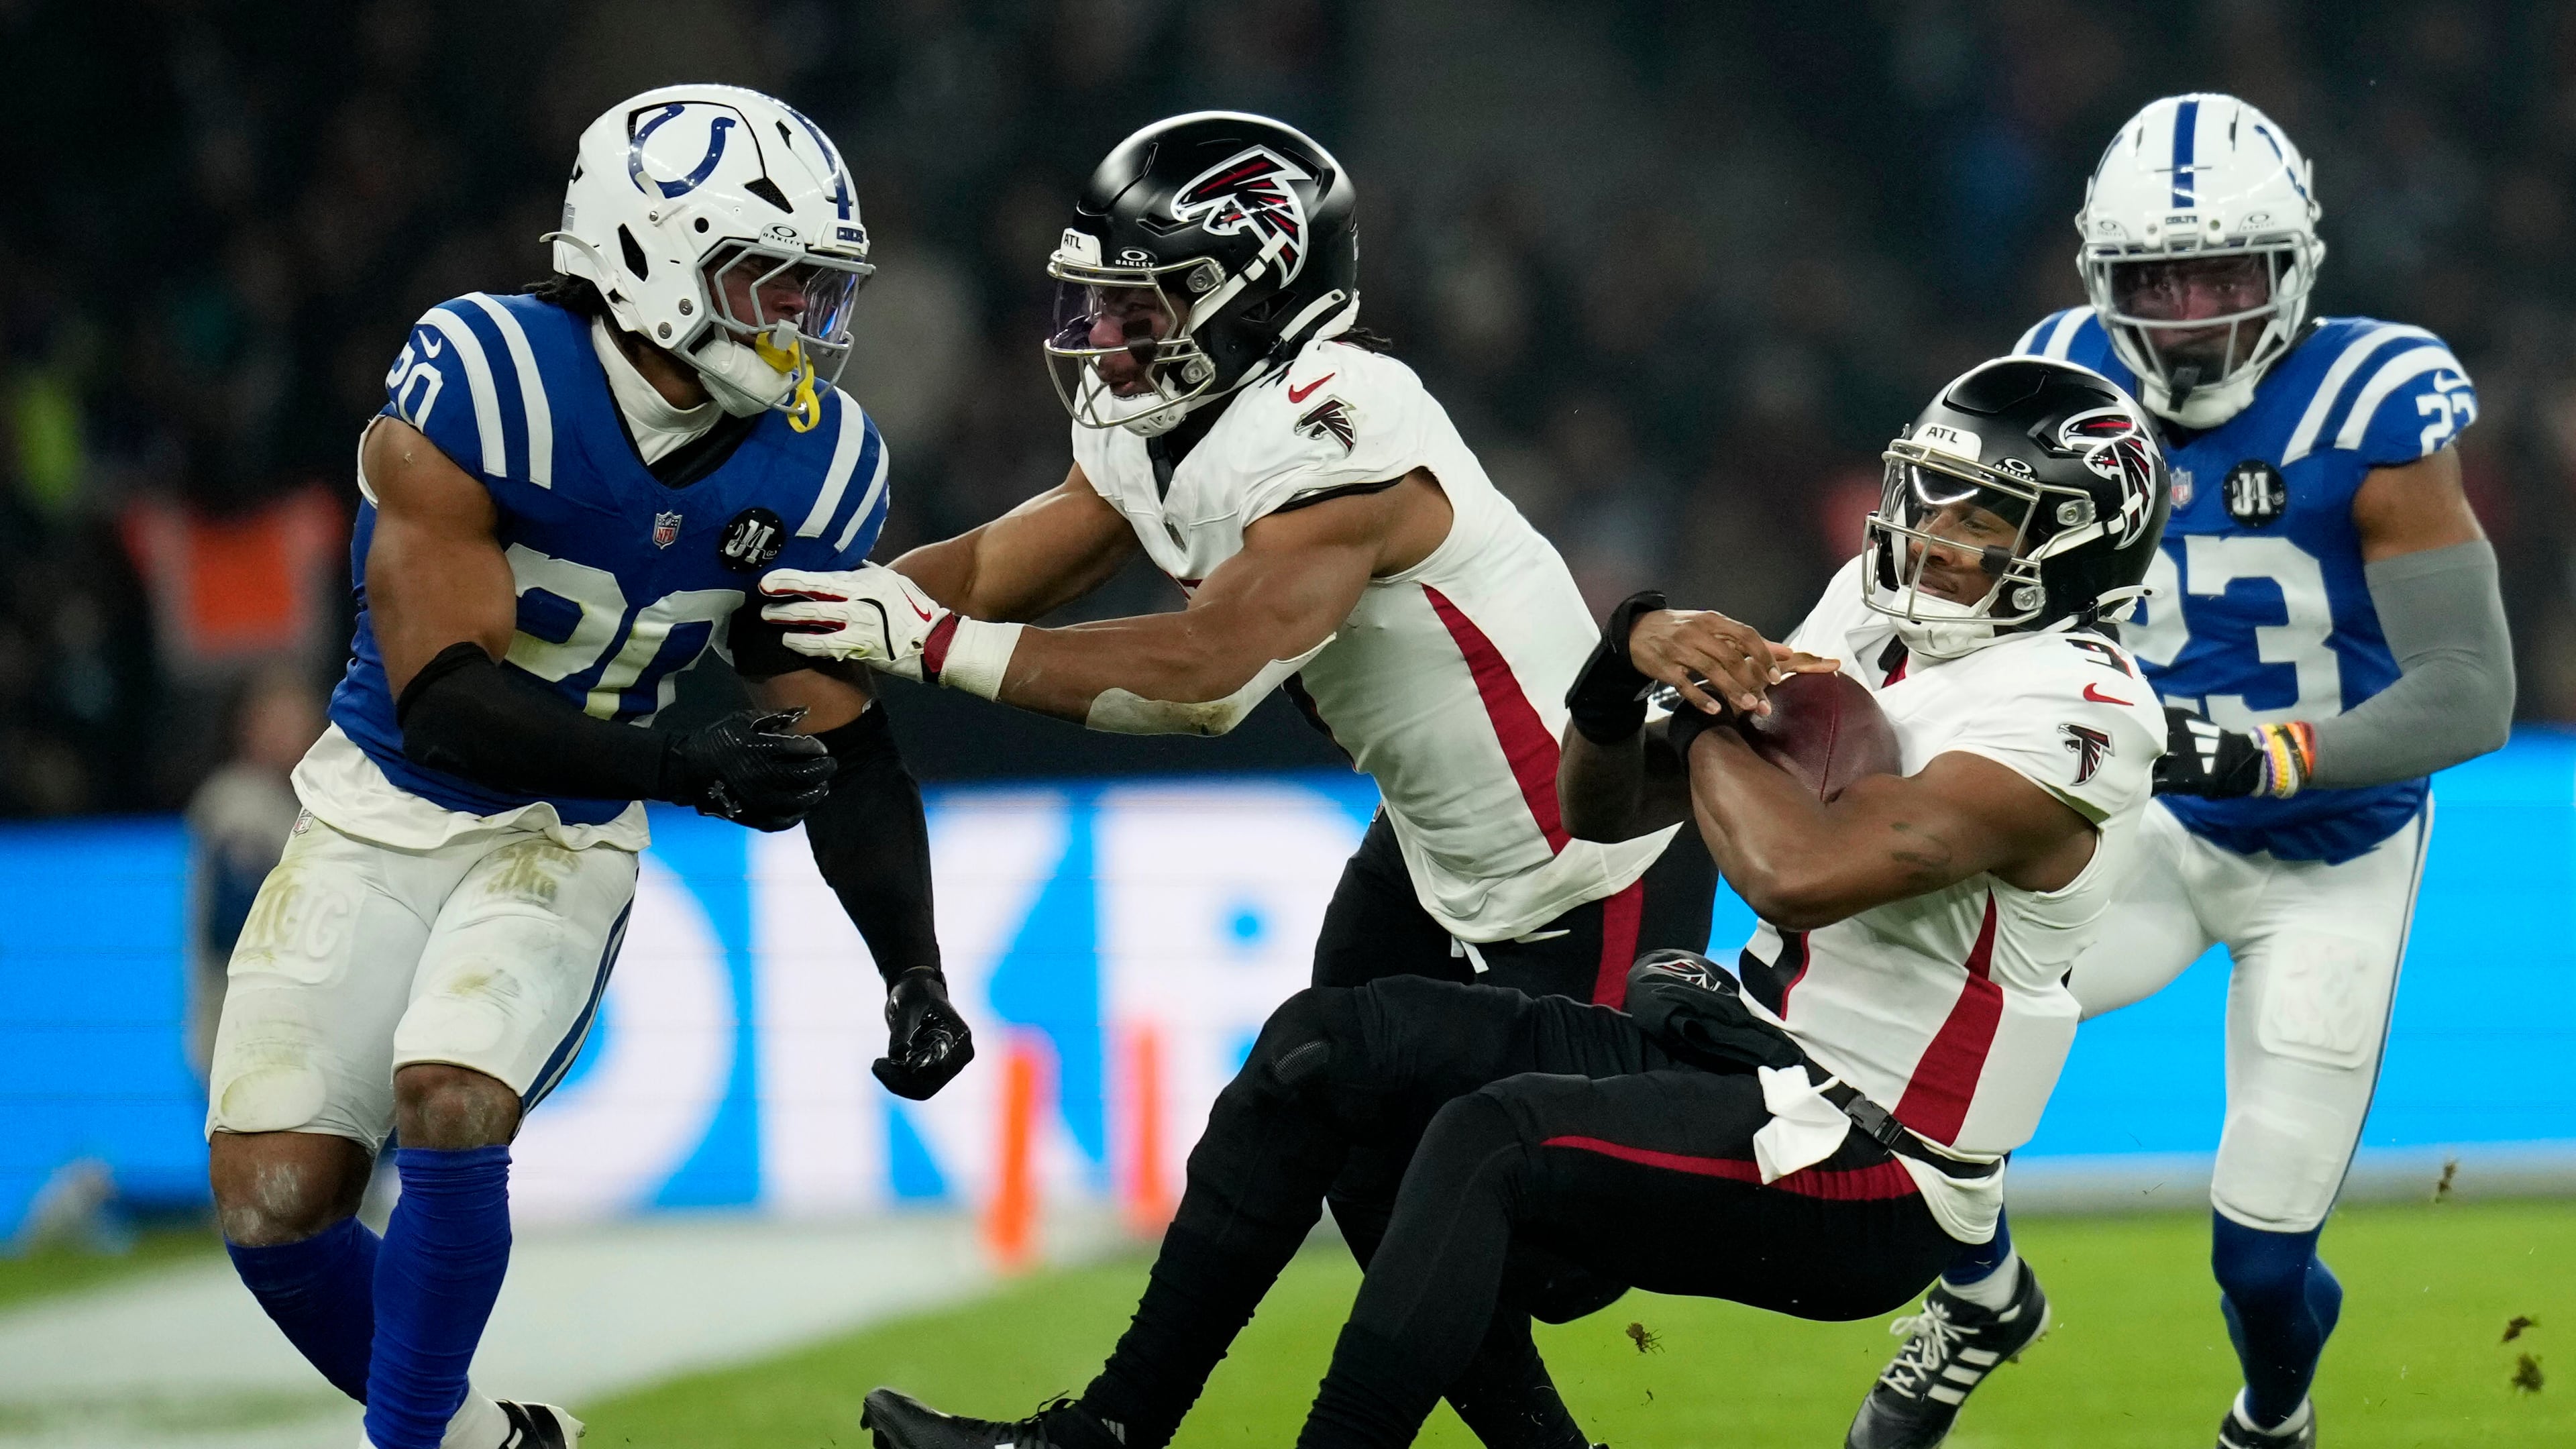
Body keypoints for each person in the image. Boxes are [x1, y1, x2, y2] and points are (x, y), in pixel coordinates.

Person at [855, 356, 2170, 1449]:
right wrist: (1621, 665)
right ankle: (1104, 1436)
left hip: (1875, 1166)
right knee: (1324, 1054)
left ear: (2075, 547)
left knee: (1486, 1143)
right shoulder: (1877, 620)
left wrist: (1707, 707)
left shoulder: (2083, 708)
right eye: (1926, 496)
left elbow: (1797, 870)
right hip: (1754, 1066)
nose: (1925, 533)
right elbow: (1598, 804)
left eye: (1976, 517)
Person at [763, 111, 1736, 1449]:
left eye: (1142, 298)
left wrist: (921, 641)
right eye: (1099, 296)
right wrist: (837, 607)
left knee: (1515, 1234)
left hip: (1589, 871)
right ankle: (1101, 1436)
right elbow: (1028, 553)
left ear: (1255, 290)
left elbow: (1212, 670)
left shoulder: (1336, 421)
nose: (1104, 333)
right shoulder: (1180, 411)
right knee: (1326, 1130)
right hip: (1435, 846)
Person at [204, 85, 971, 1449]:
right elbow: (444, 701)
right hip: (378, 803)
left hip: (559, 835)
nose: (805, 321)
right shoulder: (491, 376)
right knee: (273, 1206)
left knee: (452, 1090)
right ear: (647, 255)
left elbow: (845, 736)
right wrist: (685, 763)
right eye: (771, 280)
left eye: (818, 286)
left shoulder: (817, 461)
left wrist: (911, 965)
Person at [1848, 95, 2515, 1449]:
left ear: (2295, 269)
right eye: (2160, 279)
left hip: (2336, 843)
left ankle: (2274, 1419)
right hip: (2136, 824)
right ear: (2103, 278)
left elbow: (2471, 690)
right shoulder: (2060, 379)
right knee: (1906, 1053)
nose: (2194, 311)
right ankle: (1979, 1300)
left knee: (2262, 1261)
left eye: (2225, 276)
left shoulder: (2373, 401)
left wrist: (2262, 753)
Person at [185, 665, 325, 1078]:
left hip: (285, 1034)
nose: (289, 732)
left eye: (298, 717)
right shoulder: (239, 798)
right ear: (246, 729)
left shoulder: (305, 798)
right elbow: (238, 912)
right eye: (274, 719)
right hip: (246, 1033)